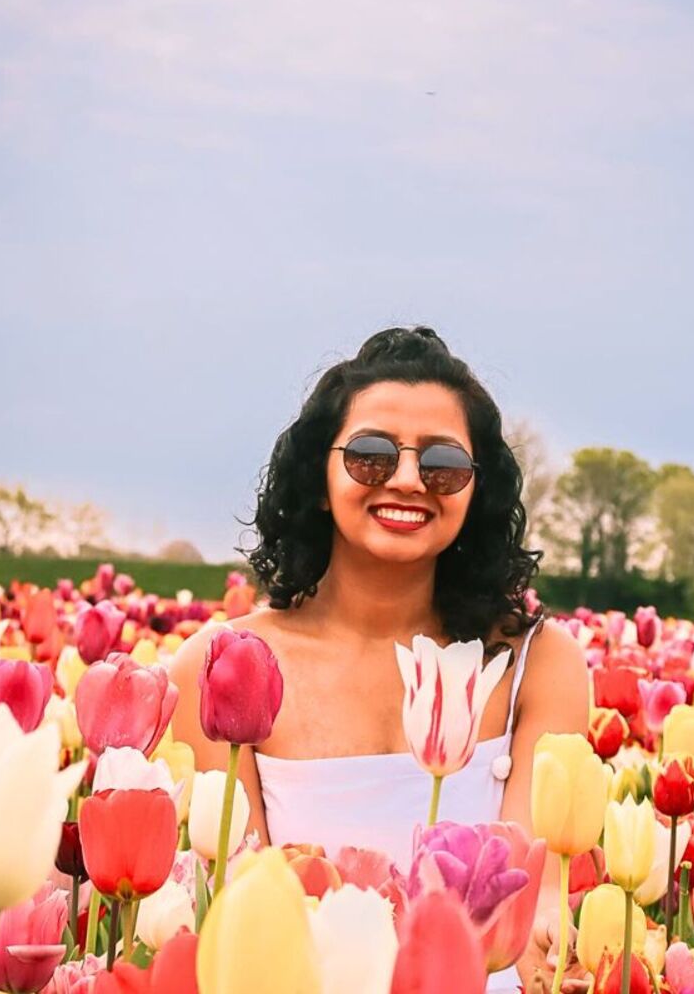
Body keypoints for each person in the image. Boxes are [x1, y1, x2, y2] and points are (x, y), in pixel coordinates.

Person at [171, 327, 589, 992]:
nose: (405, 480)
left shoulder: (538, 664)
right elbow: (238, 919)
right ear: (318, 476)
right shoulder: (220, 666)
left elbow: (531, 908)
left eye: (443, 464)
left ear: (475, 491)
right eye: (370, 454)